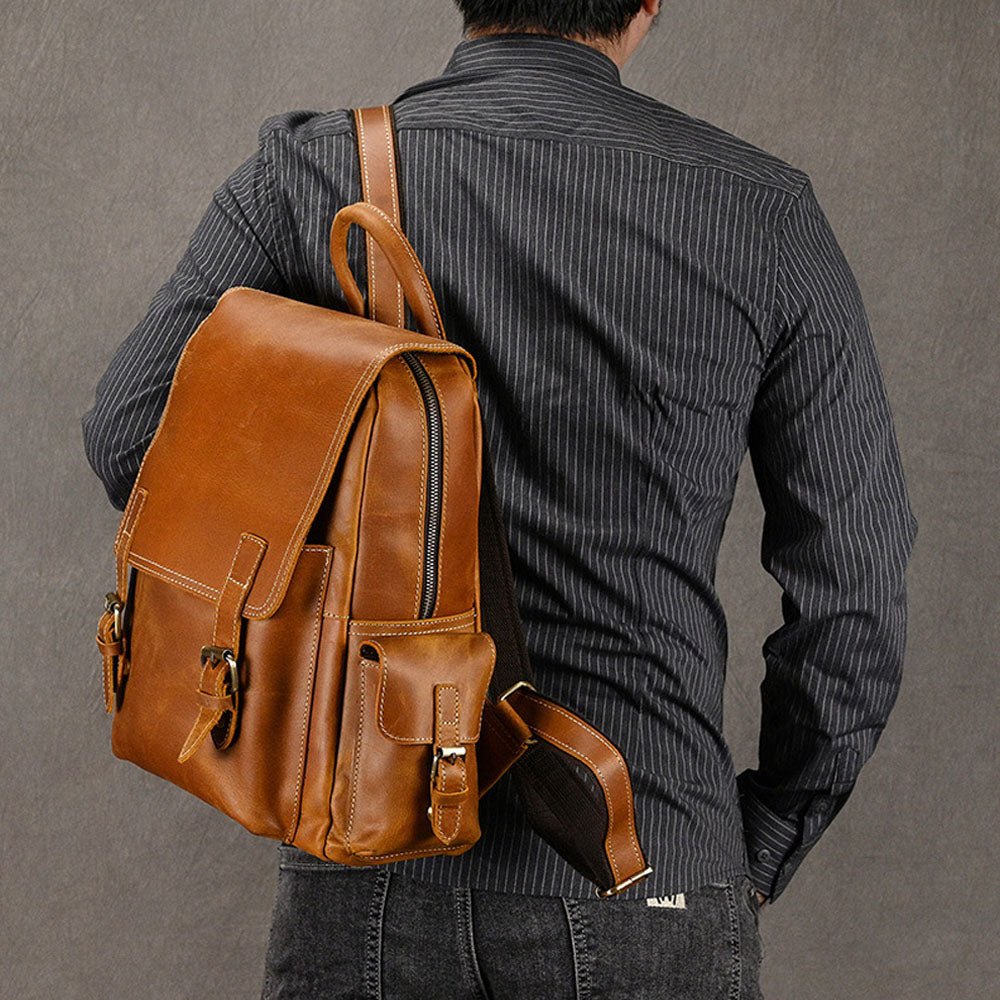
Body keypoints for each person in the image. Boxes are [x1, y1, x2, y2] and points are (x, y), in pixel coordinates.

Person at [80, 2, 919, 997]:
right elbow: (855, 597)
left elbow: (131, 435)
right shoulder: (762, 210)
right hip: (648, 855)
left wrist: (329, 555)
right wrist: (767, 832)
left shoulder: (313, 174)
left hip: (366, 846)